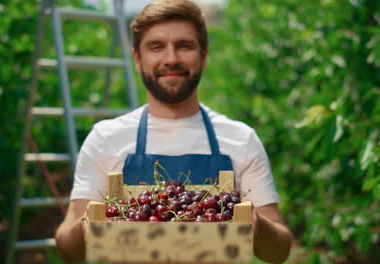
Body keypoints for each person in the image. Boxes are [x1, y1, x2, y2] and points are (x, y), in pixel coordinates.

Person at [55, 0, 292, 263]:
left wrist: (257, 224)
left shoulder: (240, 139)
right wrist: (87, 226)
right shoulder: (106, 139)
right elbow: (68, 249)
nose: (171, 59)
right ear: (137, 59)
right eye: (156, 47)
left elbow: (279, 251)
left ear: (203, 57)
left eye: (184, 46)